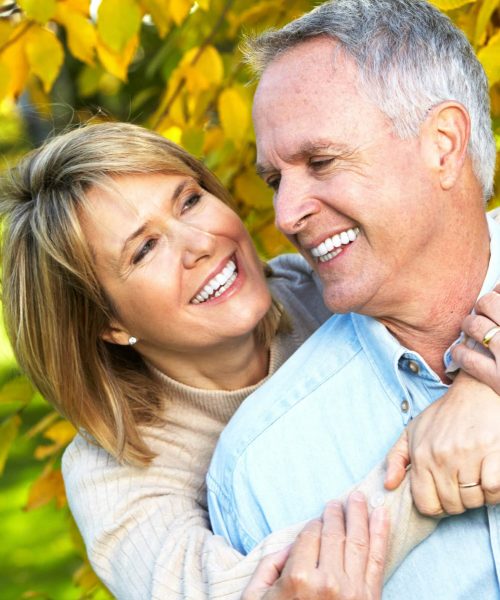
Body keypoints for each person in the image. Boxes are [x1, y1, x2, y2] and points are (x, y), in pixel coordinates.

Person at [0, 120, 496, 599]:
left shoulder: (327, 287)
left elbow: (467, 254)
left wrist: (481, 381)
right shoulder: (114, 471)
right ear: (107, 323)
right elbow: (272, 589)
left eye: (190, 201)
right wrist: (439, 456)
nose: (200, 243)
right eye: (145, 248)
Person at [207, 0, 500, 597]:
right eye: (275, 181)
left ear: (443, 144)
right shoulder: (261, 468)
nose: (286, 214)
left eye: (321, 161)